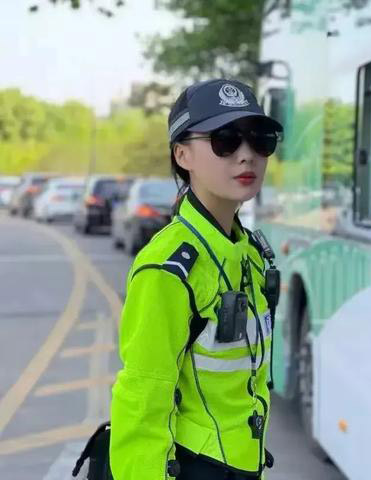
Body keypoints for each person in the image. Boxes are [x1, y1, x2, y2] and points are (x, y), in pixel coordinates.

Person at [109, 79, 282, 480]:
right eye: (225, 140)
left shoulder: (249, 252)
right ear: (182, 154)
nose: (247, 155)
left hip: (244, 465)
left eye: (260, 140)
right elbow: (142, 399)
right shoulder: (167, 269)